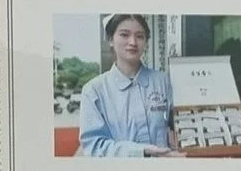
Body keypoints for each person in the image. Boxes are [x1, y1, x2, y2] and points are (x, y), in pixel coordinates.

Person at [74, 13, 181, 158]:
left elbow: (178, 125)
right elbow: (94, 145)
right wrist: (142, 151)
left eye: (140, 36)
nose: (133, 42)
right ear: (111, 39)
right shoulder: (94, 91)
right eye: (124, 35)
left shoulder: (163, 82)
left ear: (146, 41)